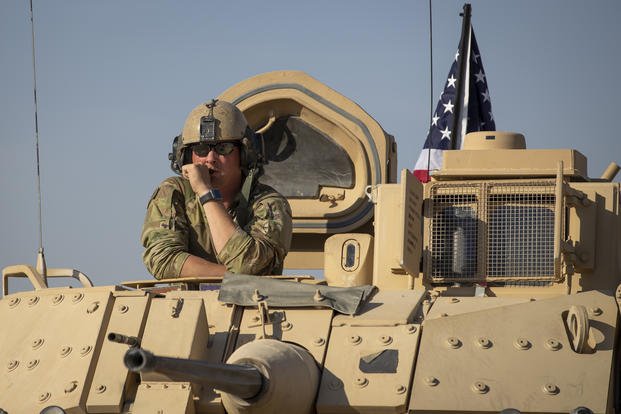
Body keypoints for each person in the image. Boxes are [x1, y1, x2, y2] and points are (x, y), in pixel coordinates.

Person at [141, 99, 292, 279]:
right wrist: (232, 276)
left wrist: (206, 194)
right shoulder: (174, 192)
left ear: (244, 154)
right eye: (201, 149)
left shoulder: (270, 204)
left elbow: (247, 263)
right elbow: (163, 260)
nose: (210, 158)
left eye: (223, 148)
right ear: (188, 156)